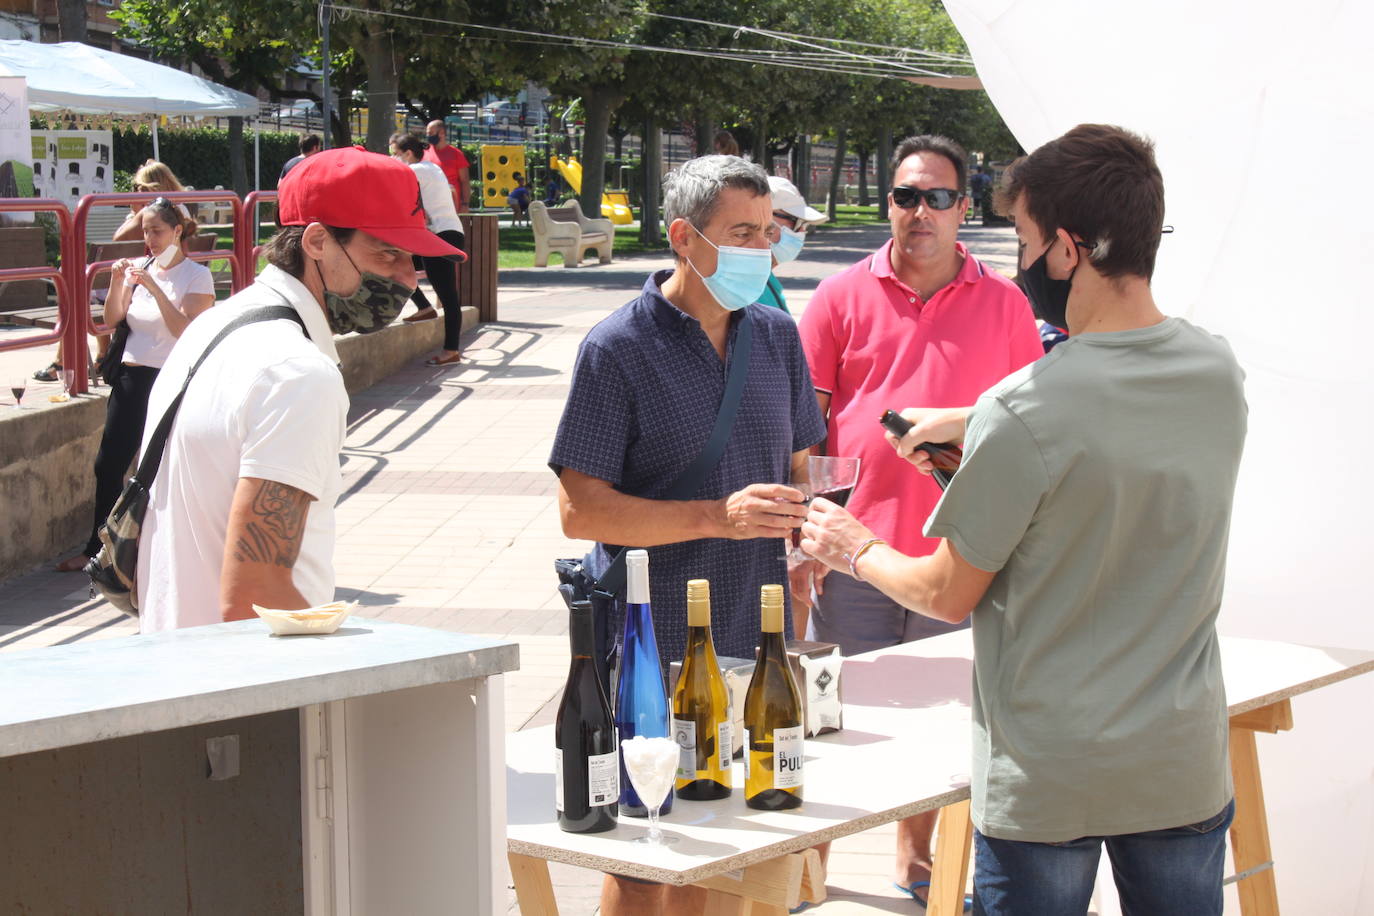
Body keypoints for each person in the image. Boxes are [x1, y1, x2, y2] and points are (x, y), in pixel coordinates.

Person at [801, 124, 1247, 915]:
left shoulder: (1025, 412)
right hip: (1179, 759)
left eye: (1027, 241)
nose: (1022, 261)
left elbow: (943, 591)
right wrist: (977, 426)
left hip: (1049, 773)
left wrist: (854, 545)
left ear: (1070, 251)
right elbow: (1110, 438)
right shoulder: (1217, 373)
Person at [549, 154, 826, 915]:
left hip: (757, 627)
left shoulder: (776, 338)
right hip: (651, 637)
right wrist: (716, 515)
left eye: (768, 232)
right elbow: (581, 511)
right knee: (647, 846)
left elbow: (800, 466)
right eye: (741, 232)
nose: (761, 250)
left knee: (726, 836)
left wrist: (808, 536)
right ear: (682, 237)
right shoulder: (617, 348)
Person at [795, 134, 1042, 904]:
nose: (920, 212)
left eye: (938, 197)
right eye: (907, 196)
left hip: (958, 556)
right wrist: (805, 537)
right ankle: (810, 868)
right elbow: (805, 427)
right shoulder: (838, 297)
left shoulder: (1007, 304)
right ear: (890, 205)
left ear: (963, 208)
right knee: (830, 722)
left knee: (941, 728)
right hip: (850, 549)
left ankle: (916, 866)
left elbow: (1031, 427)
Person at [134, 147, 465, 631]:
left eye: (410, 257)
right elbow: (254, 598)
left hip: (180, 660)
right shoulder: (298, 375)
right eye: (387, 252)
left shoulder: (216, 325)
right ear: (316, 241)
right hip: (245, 684)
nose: (405, 277)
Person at [55, 198, 215, 572]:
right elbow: (113, 319)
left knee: (162, 467)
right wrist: (115, 283)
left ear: (177, 231)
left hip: (172, 378)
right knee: (108, 463)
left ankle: (167, 549)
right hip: (131, 376)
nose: (151, 239)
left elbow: (187, 331)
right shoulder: (140, 268)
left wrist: (157, 289)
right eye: (145, 231)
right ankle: (98, 548)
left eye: (157, 230)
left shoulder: (196, 275)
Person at [33, 160, 191, 384]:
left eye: (142, 188)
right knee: (82, 289)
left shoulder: (154, 212)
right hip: (149, 278)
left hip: (144, 278)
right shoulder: (180, 209)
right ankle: (96, 355)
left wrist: (140, 212)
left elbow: (119, 237)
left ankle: (72, 359)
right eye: (135, 188)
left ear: (157, 188)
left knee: (73, 292)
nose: (136, 193)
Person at [390, 132, 467, 366]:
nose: (394, 159)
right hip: (446, 234)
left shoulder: (417, 170)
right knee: (396, 265)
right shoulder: (431, 168)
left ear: (409, 154)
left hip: (441, 237)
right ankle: (424, 307)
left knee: (448, 297)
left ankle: (451, 350)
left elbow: (390, 179)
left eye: (396, 155)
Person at [756, 175, 826, 314]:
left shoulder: (764, 278)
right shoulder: (741, 285)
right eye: (796, 221)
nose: (802, 230)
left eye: (804, 224)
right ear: (764, 217)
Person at [423, 119, 471, 213]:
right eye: (427, 133)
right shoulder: (424, 154)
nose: (428, 136)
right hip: (430, 206)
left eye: (430, 133)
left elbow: (465, 181)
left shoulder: (456, 154)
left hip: (452, 206)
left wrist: (465, 204)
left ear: (442, 133)